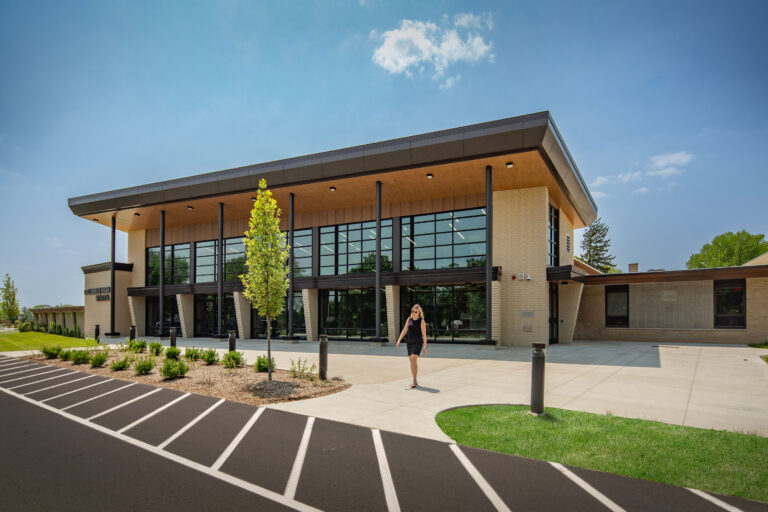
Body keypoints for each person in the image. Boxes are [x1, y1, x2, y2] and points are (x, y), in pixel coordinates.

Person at [396, 304, 428, 388]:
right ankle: (415, 379)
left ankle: (414, 380)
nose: (414, 313)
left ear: (419, 312)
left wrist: (425, 347)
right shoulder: (409, 319)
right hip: (409, 341)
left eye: (416, 312)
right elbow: (404, 330)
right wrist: (399, 340)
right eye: (412, 311)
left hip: (418, 342)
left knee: (414, 358)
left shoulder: (421, 321)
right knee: (411, 361)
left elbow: (424, 335)